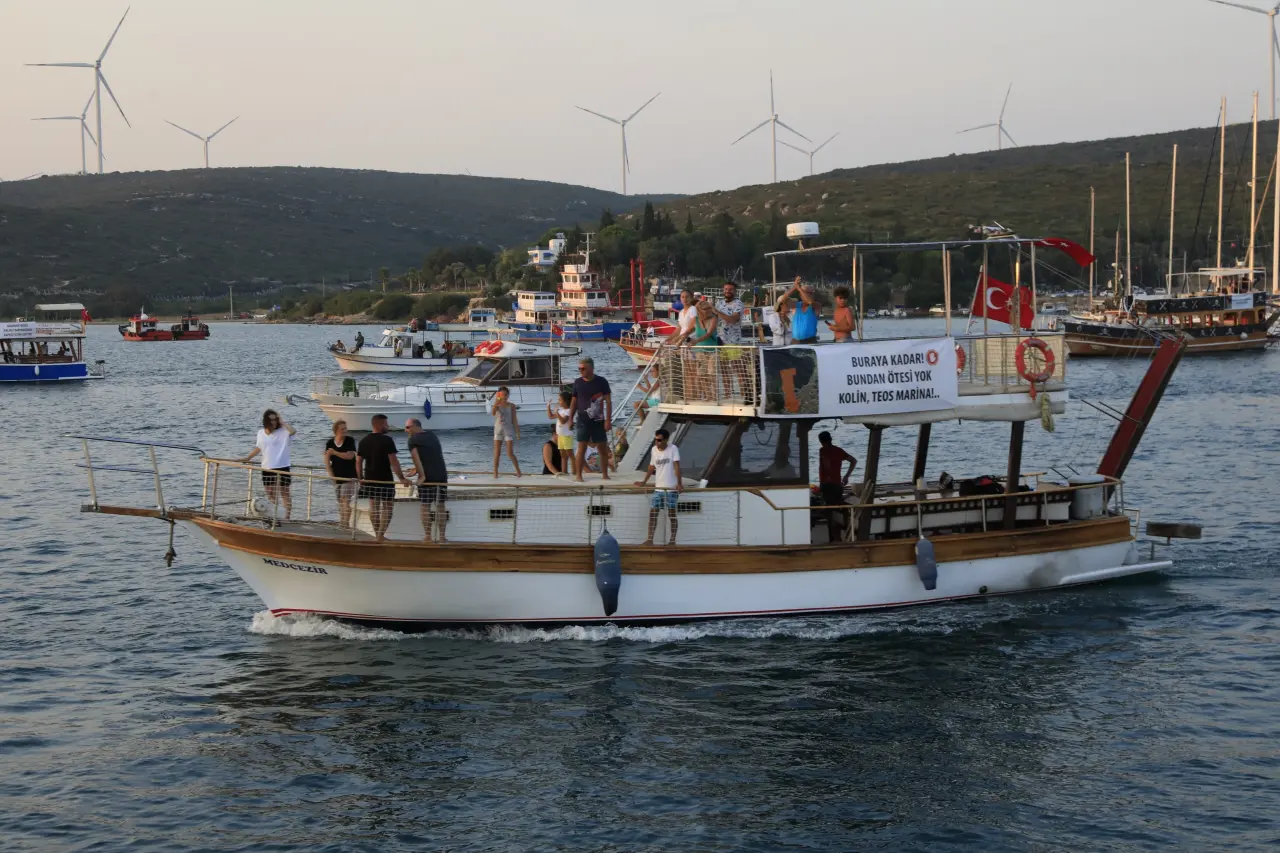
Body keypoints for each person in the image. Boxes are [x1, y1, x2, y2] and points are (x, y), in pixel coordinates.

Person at [357, 413, 408, 542]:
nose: (388, 426)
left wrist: (360, 478)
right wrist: (402, 478)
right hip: (385, 479)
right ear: (380, 425)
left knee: (374, 508)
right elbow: (394, 462)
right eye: (386, 424)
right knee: (388, 507)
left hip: (370, 478)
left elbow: (358, 462)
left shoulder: (364, 441)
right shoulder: (387, 440)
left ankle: (377, 535)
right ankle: (380, 535)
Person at [240, 409, 296, 520]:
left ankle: (287, 518)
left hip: (282, 466)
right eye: (271, 420)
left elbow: (293, 431)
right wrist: (248, 458)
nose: (273, 422)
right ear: (266, 421)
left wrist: (282, 421)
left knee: (285, 494)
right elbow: (259, 448)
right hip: (267, 467)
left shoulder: (283, 432)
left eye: (275, 420)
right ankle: (274, 518)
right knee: (270, 494)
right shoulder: (261, 433)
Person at [405, 417, 448, 543]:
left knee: (425, 506)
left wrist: (422, 475)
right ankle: (442, 536)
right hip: (441, 474)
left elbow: (416, 458)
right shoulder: (432, 435)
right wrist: (416, 469)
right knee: (440, 505)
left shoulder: (412, 440)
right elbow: (432, 455)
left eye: (407, 427)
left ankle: (428, 536)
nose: (405, 430)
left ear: (414, 426)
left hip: (428, 477)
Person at [570, 357, 612, 481]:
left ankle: (605, 475)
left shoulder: (602, 382)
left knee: (602, 448)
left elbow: (608, 401)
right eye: (579, 368)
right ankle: (579, 475)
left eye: (583, 368)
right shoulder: (577, 382)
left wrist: (608, 420)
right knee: (581, 447)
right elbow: (574, 401)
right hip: (582, 419)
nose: (580, 371)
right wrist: (570, 419)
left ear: (591, 368)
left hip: (598, 420)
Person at [639, 428, 682, 546]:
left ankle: (672, 540)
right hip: (658, 489)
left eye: (659, 440)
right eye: (656, 440)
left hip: (671, 489)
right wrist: (644, 481)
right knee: (653, 513)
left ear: (666, 440)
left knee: (672, 515)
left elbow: (677, 466)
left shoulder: (673, 449)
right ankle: (649, 539)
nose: (657, 442)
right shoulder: (654, 450)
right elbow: (651, 467)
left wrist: (679, 483)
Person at [817, 430, 857, 542]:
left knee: (831, 514)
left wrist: (846, 476)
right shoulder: (835, 451)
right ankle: (836, 538)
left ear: (823, 441)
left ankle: (834, 539)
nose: (822, 444)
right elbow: (853, 461)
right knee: (833, 513)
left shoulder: (826, 451)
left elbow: (853, 461)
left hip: (830, 486)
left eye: (822, 442)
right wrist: (846, 476)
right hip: (832, 486)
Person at [324, 420, 358, 528]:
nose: (344, 431)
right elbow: (327, 460)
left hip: (350, 475)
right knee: (340, 501)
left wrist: (335, 452)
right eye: (342, 429)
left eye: (345, 428)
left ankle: (345, 524)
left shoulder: (349, 441)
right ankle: (342, 522)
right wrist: (332, 477)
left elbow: (350, 456)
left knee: (346, 500)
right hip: (337, 476)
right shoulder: (330, 443)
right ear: (336, 431)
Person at [491, 386, 522, 477]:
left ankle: (518, 471)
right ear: (499, 395)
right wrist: (496, 401)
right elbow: (493, 413)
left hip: (508, 431)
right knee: (497, 453)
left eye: (506, 395)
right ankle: (495, 472)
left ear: (508, 395)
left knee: (510, 453)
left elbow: (514, 420)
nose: (504, 397)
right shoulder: (497, 405)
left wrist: (517, 432)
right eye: (502, 395)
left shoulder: (512, 406)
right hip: (498, 430)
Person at [780, 277, 820, 344]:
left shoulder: (816, 305)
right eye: (809, 293)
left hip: (810, 341)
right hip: (795, 341)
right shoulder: (796, 305)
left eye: (812, 293)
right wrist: (794, 287)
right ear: (800, 295)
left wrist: (799, 289)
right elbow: (783, 300)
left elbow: (809, 301)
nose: (811, 295)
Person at [547, 390, 576, 476]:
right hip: (560, 436)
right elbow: (550, 416)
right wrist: (548, 406)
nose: (558, 401)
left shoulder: (569, 411)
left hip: (567, 436)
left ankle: (575, 471)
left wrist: (557, 413)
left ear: (565, 401)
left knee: (570, 454)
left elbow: (563, 421)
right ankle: (564, 471)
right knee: (562, 455)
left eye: (560, 400)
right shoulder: (561, 410)